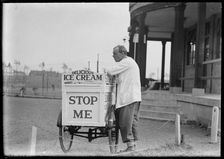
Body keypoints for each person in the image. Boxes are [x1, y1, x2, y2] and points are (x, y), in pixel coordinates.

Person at [105, 45, 142, 152]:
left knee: (125, 122)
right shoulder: (129, 63)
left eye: (115, 54)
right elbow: (119, 77)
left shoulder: (126, 62)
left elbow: (110, 71)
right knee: (132, 122)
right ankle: (133, 146)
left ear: (122, 53)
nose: (113, 56)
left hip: (128, 97)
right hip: (133, 96)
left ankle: (130, 146)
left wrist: (106, 72)